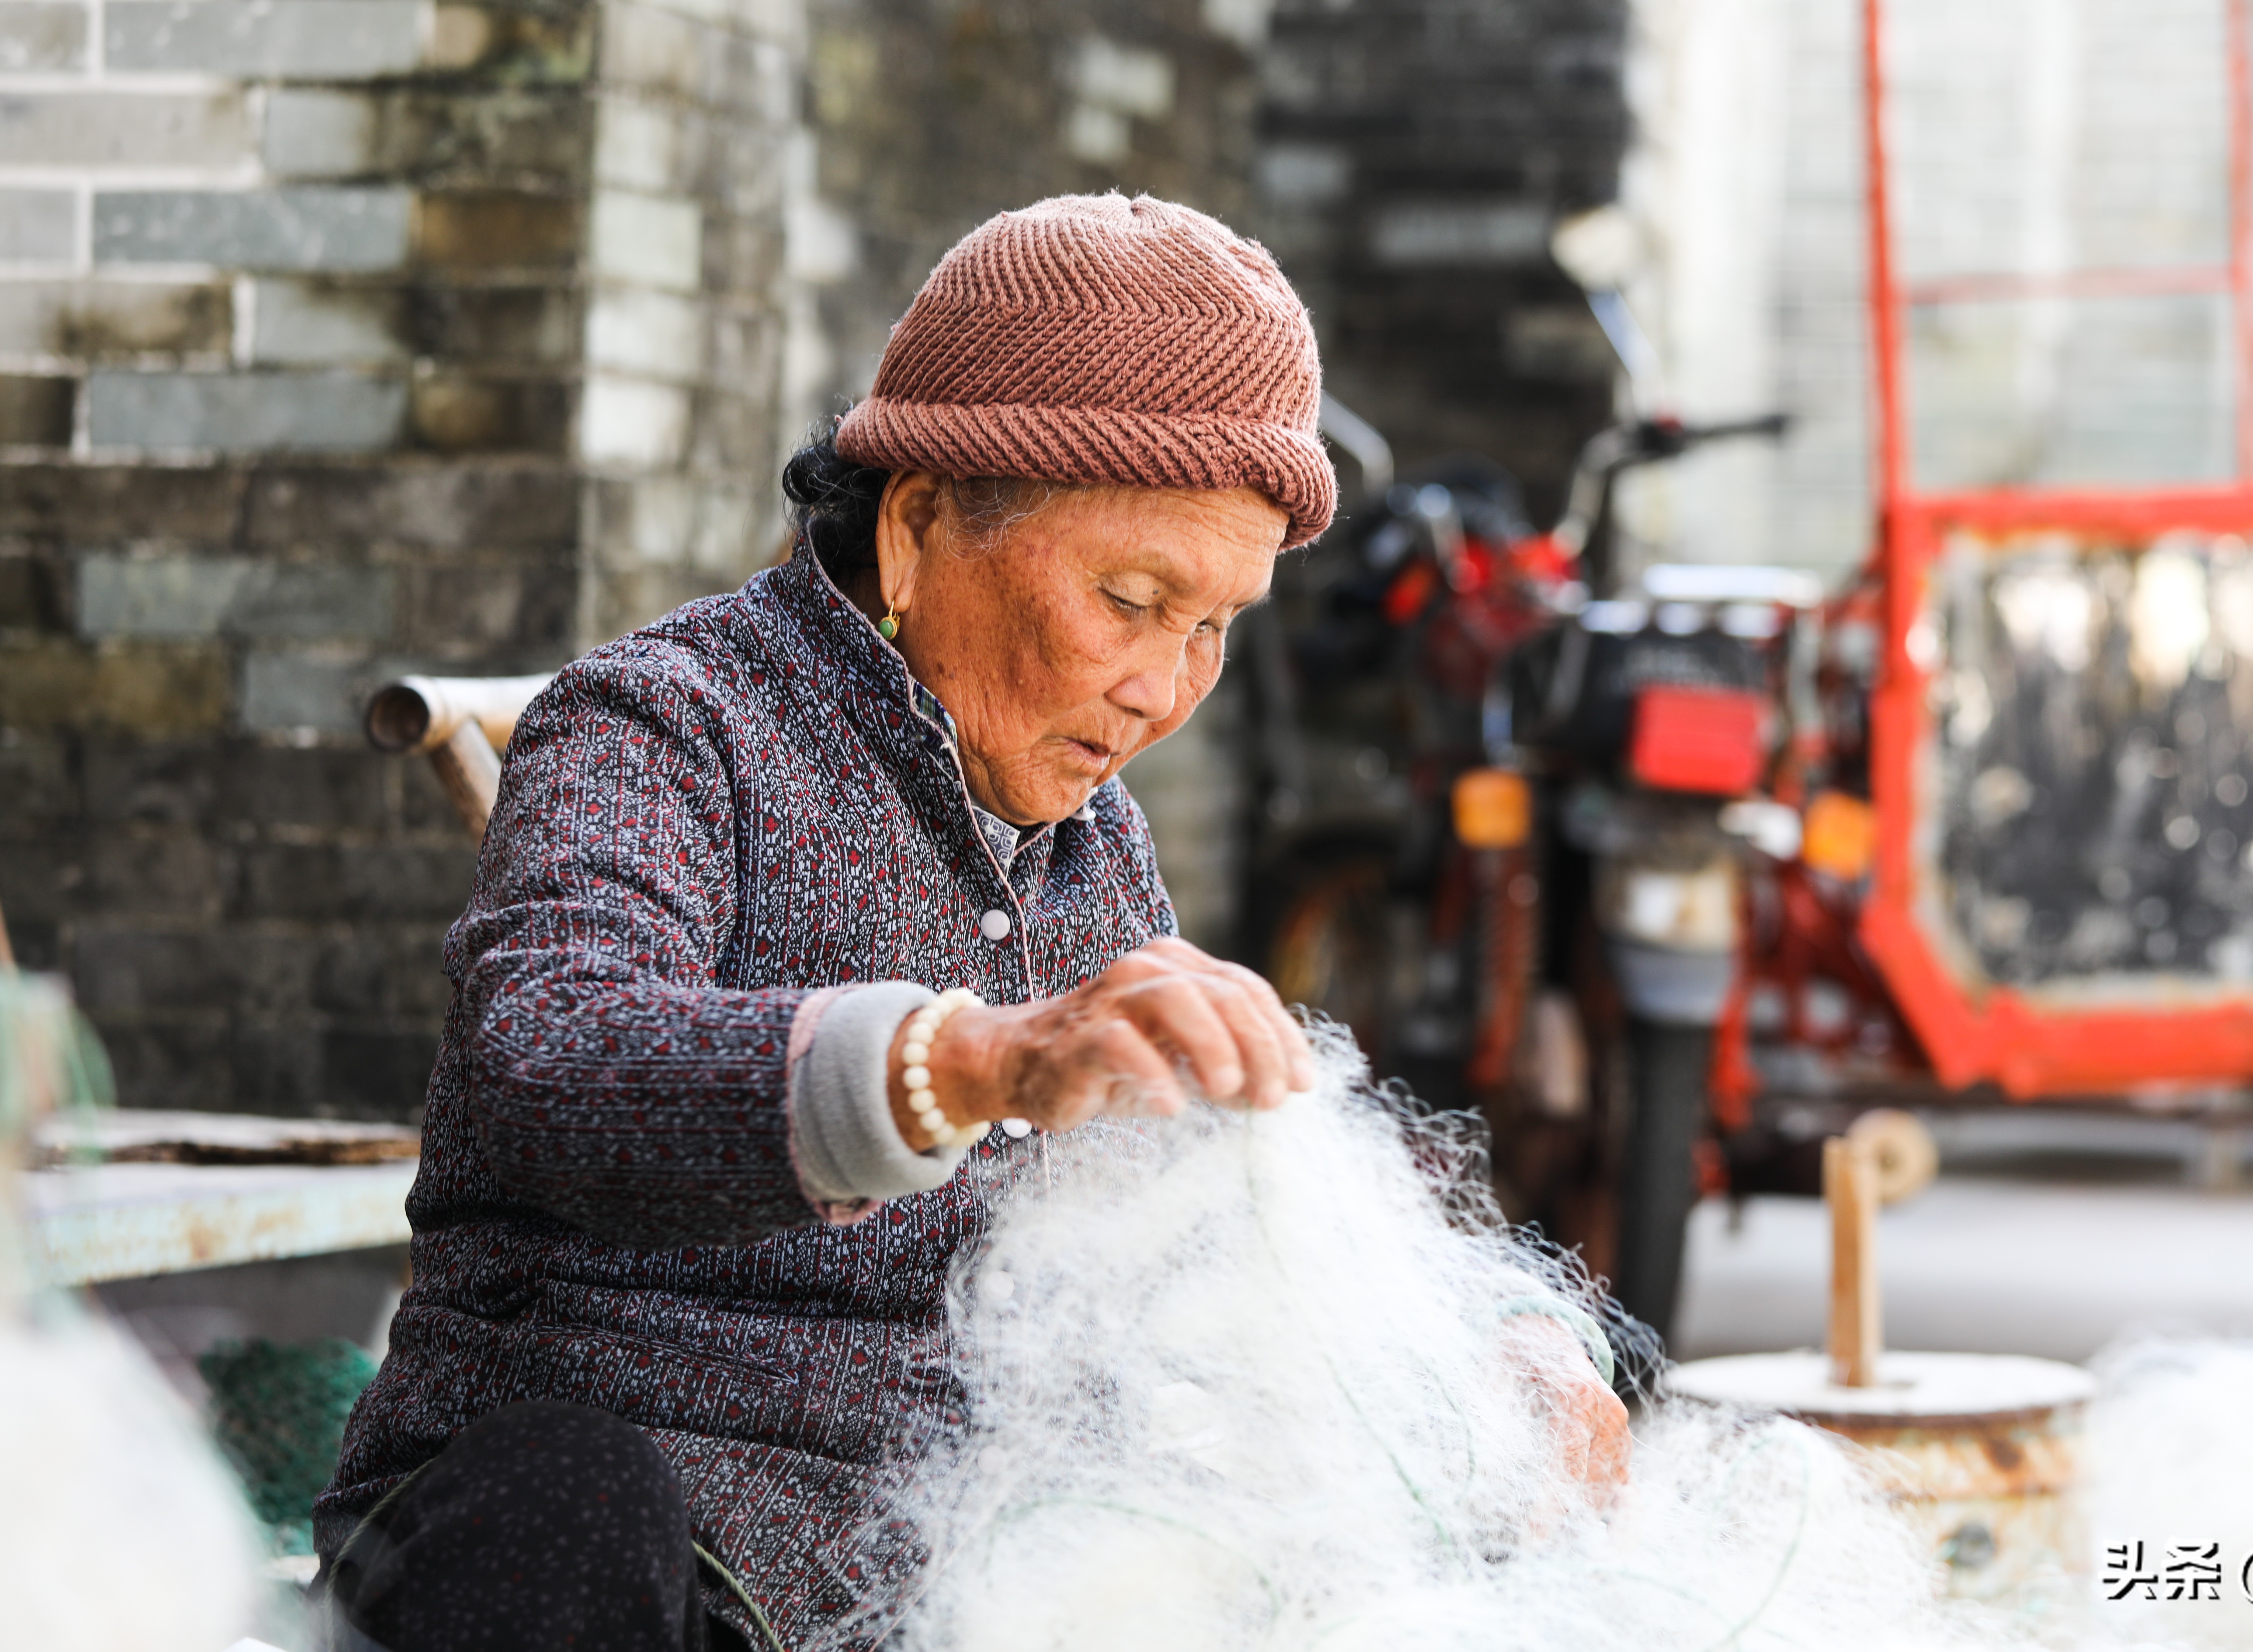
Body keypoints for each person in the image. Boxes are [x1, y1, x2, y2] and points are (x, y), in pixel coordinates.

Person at [313, 193, 1629, 1652]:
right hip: (608, 1538)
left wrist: (1503, 1354)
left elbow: (1206, 1244)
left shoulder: (1095, 852)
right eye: (1129, 598)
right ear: (921, 522)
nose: (1164, 685)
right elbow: (546, 1054)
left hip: (920, 1572)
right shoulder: (667, 725)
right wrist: (969, 1066)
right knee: (565, 1508)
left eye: (1215, 626)